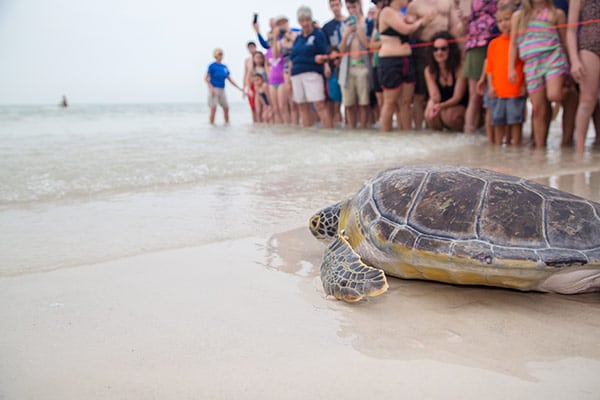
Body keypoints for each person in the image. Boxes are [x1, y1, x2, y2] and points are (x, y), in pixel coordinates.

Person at [509, 0, 568, 148]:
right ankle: (540, 147)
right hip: (531, 62)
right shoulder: (519, 16)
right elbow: (513, 43)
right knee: (538, 109)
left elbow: (564, 40)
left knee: (554, 95)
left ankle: (568, 97)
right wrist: (511, 68)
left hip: (552, 57)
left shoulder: (556, 14)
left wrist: (570, 64)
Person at [407, 0, 465, 130]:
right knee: (420, 96)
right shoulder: (414, 5)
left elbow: (455, 29)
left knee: (448, 108)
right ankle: (419, 130)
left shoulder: (447, 2)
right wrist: (421, 22)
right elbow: (409, 33)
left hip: (446, 46)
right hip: (423, 47)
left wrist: (460, 52)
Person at [378, 0, 432, 132]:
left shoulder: (400, 14)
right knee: (390, 102)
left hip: (407, 59)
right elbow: (405, 30)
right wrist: (421, 21)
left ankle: (407, 135)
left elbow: (410, 28)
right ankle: (385, 136)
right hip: (391, 60)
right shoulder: (386, 12)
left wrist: (415, 20)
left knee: (406, 102)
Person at [486, 3, 526, 145]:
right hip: (498, 90)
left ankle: (515, 148)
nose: (504, 23)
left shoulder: (520, 42)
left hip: (515, 89)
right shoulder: (494, 44)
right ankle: (498, 149)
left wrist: (524, 86)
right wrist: (490, 86)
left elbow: (524, 65)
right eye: (500, 20)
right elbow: (489, 68)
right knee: (498, 121)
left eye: (507, 19)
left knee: (516, 121)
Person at [289, 6, 333, 128]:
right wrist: (288, 78)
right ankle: (307, 134)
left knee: (319, 104)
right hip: (296, 74)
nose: (305, 23)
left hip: (312, 72)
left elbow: (324, 53)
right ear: (299, 22)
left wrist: (324, 63)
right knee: (302, 105)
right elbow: (292, 58)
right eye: (302, 21)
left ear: (310, 20)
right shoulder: (298, 38)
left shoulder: (318, 34)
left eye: (307, 20)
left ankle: (328, 132)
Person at [567, 0, 600, 152]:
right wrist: (574, 60)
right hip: (589, 47)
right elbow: (570, 31)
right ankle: (579, 151)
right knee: (587, 99)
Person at [462, 0, 497, 134]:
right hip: (477, 44)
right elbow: (464, 18)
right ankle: (469, 133)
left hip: (498, 41)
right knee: (475, 96)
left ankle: (491, 135)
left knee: (498, 93)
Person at [424, 31, 468, 131]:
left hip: (459, 104)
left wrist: (440, 106)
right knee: (429, 114)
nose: (439, 52)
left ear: (451, 50)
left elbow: (457, 97)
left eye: (443, 49)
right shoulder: (429, 70)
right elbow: (435, 96)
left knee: (449, 116)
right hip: (442, 105)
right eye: (435, 49)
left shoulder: (459, 68)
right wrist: (432, 105)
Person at [339, 0, 373, 128]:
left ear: (359, 5)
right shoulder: (343, 25)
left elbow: (368, 46)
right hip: (347, 68)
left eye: (353, 6)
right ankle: (352, 130)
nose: (351, 10)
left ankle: (364, 129)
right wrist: (347, 33)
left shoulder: (367, 22)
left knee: (364, 103)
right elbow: (341, 50)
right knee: (348, 104)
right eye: (348, 8)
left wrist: (358, 28)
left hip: (363, 66)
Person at [205, 48, 244, 125]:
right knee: (213, 108)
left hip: (222, 89)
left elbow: (230, 79)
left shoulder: (224, 67)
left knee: (226, 108)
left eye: (221, 54)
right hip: (214, 88)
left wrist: (239, 88)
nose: (221, 56)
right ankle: (211, 125)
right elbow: (206, 79)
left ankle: (227, 124)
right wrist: (211, 88)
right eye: (219, 54)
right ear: (216, 55)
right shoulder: (212, 66)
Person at [324, 46, 343, 124]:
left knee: (337, 109)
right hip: (329, 84)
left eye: (337, 58)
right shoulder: (327, 67)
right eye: (333, 59)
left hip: (336, 82)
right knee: (328, 109)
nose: (335, 60)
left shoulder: (340, 69)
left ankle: (338, 125)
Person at [243, 41, 258, 122]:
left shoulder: (260, 57)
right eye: (250, 47)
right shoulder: (247, 60)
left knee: (260, 106)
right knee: (252, 107)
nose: (251, 49)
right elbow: (245, 74)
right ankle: (255, 123)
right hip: (250, 85)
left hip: (259, 84)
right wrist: (244, 88)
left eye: (253, 47)